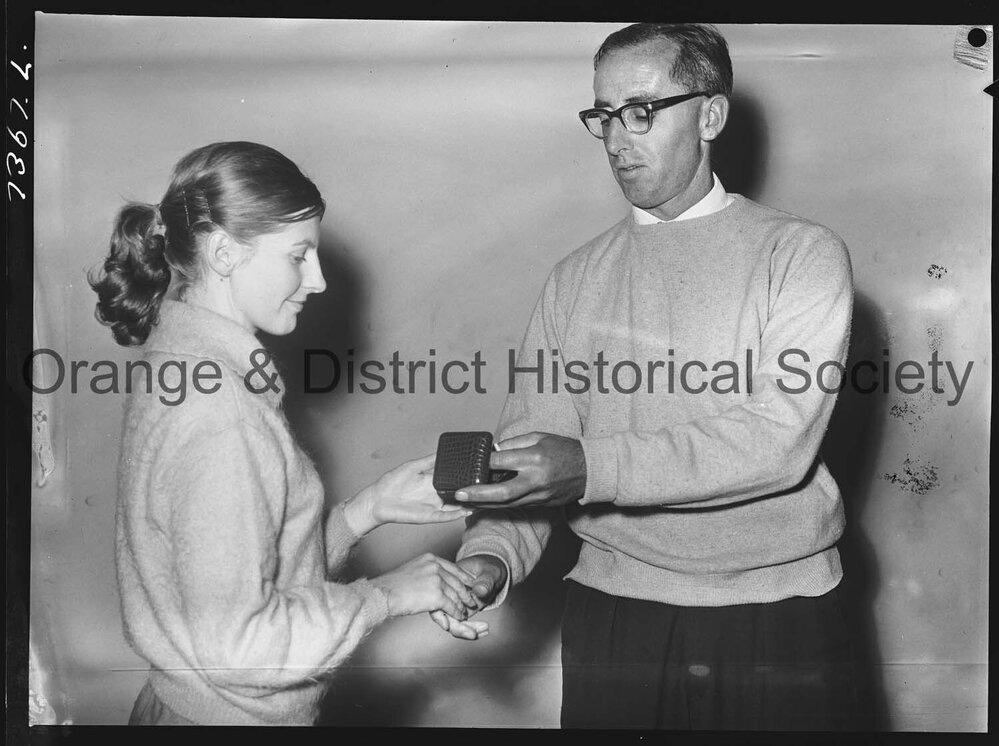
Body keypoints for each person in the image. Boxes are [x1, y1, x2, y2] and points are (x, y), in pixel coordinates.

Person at [434, 24, 865, 730]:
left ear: (710, 115)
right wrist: (489, 559)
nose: (614, 137)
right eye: (602, 114)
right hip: (613, 618)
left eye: (640, 111)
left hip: (775, 614)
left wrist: (587, 467)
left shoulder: (800, 255)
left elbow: (774, 443)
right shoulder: (574, 279)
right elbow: (536, 452)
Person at [89, 141, 484, 726]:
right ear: (224, 252)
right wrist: (388, 596)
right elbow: (241, 646)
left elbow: (235, 581)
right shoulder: (222, 415)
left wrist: (365, 511)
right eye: (299, 256)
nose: (318, 279)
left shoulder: (181, 364)